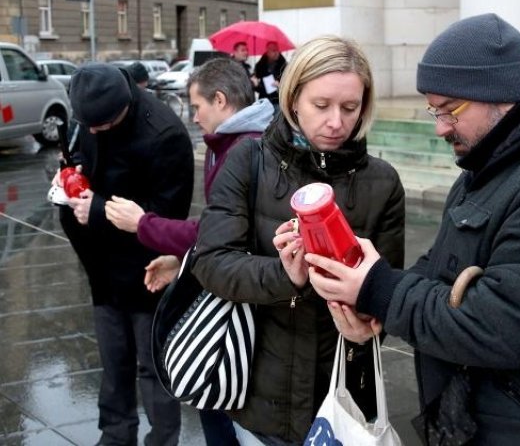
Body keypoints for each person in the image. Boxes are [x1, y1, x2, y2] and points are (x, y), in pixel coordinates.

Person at [306, 14, 520, 445]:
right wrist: (374, 305)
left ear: (502, 96)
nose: (440, 127)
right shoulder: (495, 164)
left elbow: (503, 326)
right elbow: (444, 267)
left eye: (449, 110)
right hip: (489, 420)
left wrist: (382, 291)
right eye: (434, 109)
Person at [192, 35, 406, 444]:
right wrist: (284, 274)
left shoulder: (383, 181)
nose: (336, 122)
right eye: (321, 105)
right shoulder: (248, 161)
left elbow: (389, 286)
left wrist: (372, 320)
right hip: (260, 392)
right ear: (293, 100)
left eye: (350, 108)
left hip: (340, 391)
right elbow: (212, 261)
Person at [105, 58, 275, 445]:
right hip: (232, 285)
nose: (194, 117)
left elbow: (216, 230)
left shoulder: (245, 148)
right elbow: (223, 228)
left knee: (219, 402)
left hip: (242, 300)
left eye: (197, 106)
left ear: (220, 100)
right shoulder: (229, 142)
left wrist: (142, 224)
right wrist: (181, 260)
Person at [57, 64, 194, 445]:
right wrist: (68, 176)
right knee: (113, 362)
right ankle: (115, 435)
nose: (93, 131)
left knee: (153, 367)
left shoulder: (164, 133)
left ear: (122, 108)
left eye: (101, 126)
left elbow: (167, 218)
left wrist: (97, 209)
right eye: (88, 125)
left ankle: (162, 439)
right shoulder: (90, 114)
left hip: (146, 268)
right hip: (101, 265)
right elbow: (82, 156)